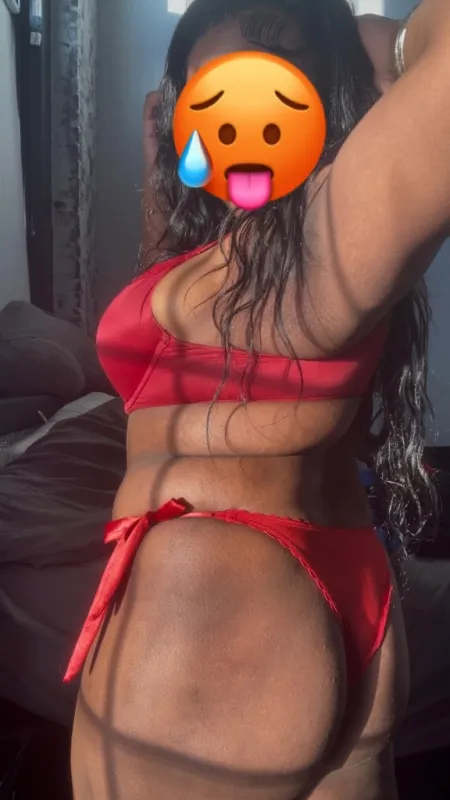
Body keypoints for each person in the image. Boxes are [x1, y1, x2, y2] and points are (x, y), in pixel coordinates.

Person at [69, 1, 450, 798]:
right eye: (213, 86)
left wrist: (377, 43)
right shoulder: (249, 259)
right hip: (331, 593)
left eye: (274, 69)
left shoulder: (322, 234)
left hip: (215, 604)